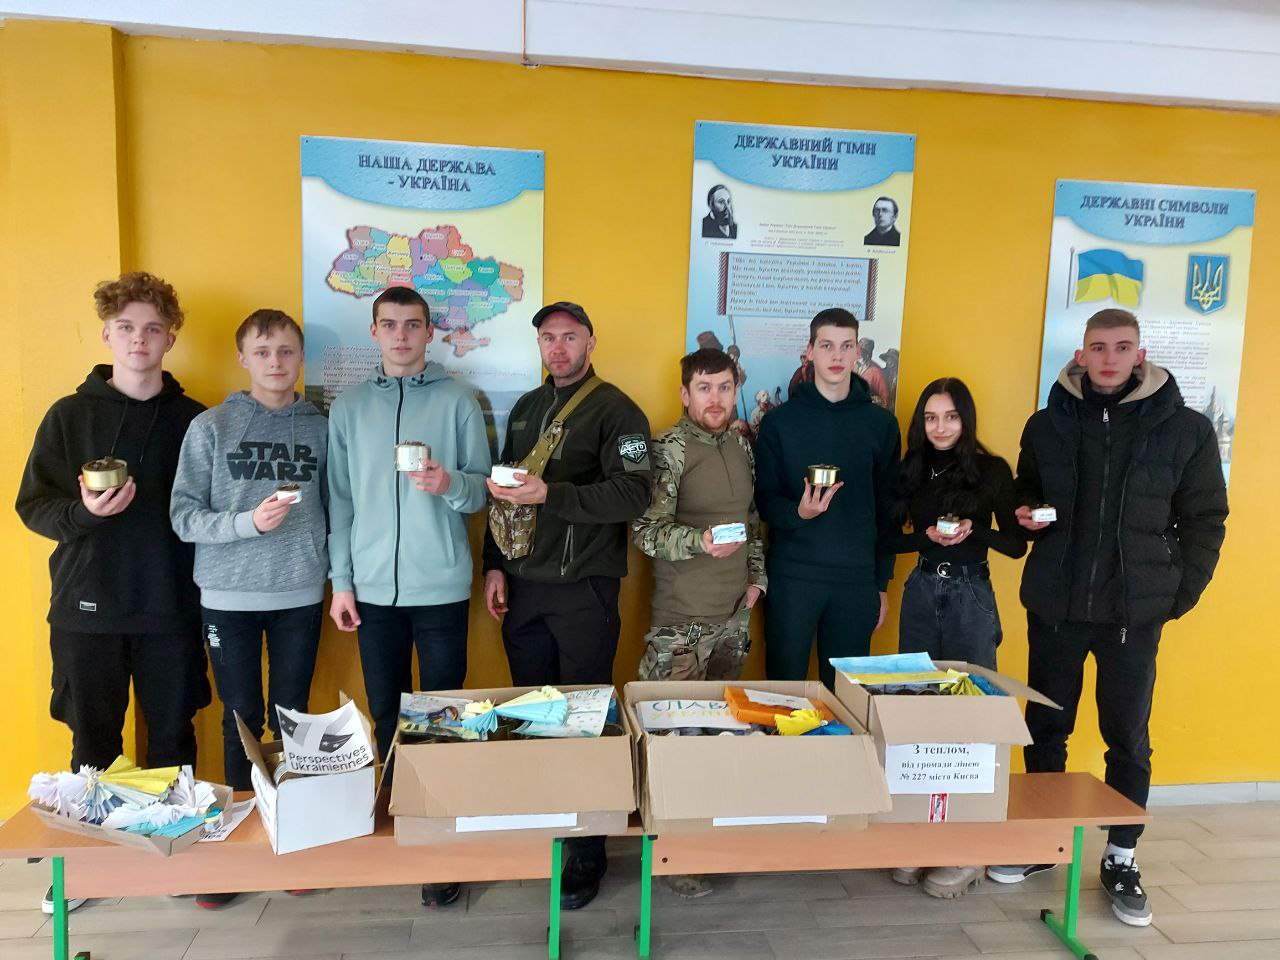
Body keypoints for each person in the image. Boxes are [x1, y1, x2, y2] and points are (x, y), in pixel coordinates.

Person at [987, 308, 1227, 928]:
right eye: (1099, 347)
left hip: (1133, 614)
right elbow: (1025, 491)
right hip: (1057, 607)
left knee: (1128, 737)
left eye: (1122, 348)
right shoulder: (1047, 423)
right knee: (1046, 727)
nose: (1110, 358)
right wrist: (1023, 512)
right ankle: (1044, 839)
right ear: (1081, 355)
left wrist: (1178, 594)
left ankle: (1122, 856)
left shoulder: (1187, 430)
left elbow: (1205, 518)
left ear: (1140, 355)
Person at [16, 271, 208, 915]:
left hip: (172, 605)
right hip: (85, 608)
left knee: (173, 739)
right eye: (125, 327)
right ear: (106, 335)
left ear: (171, 338)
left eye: (152, 328)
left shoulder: (195, 420)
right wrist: (85, 514)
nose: (138, 339)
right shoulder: (68, 416)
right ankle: (88, 871)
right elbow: (33, 505)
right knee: (92, 742)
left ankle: (174, 859)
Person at [482, 301, 651, 911]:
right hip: (523, 586)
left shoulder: (618, 410)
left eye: (569, 337)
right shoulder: (528, 407)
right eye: (548, 337)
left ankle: (586, 853)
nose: (558, 347)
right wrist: (494, 564)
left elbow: (634, 493)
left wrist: (552, 494)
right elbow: (504, 492)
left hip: (584, 587)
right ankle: (547, 831)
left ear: (590, 341)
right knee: (533, 716)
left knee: (583, 721)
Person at [327, 285, 490, 908]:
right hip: (371, 591)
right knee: (388, 713)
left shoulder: (459, 401)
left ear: (430, 332)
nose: (401, 335)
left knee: (443, 715)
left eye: (413, 324)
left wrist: (449, 484)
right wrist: (342, 582)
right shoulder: (348, 408)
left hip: (440, 585)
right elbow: (339, 502)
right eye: (390, 324)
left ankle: (442, 842)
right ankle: (403, 829)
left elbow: (482, 491)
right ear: (374, 332)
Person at [169, 308, 328, 909]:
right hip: (227, 595)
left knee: (292, 719)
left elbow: (337, 506)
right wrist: (247, 524)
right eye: (262, 352)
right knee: (239, 718)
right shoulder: (211, 426)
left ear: (301, 358)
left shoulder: (321, 427)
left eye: (286, 351)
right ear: (243, 358)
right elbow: (183, 516)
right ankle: (237, 850)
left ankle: (291, 837)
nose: (275, 362)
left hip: (300, 592)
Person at [632, 347, 765, 899]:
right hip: (681, 626)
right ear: (685, 394)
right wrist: (699, 541)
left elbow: (751, 519)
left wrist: (756, 578)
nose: (716, 398)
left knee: (720, 742)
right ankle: (671, 858)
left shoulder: (742, 444)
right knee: (673, 749)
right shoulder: (669, 448)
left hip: (733, 619)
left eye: (724, 387)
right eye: (704, 388)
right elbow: (644, 530)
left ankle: (706, 847)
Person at [885, 378, 1025, 899]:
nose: (940, 427)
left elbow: (1016, 544)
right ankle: (921, 836)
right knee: (917, 713)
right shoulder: (911, 468)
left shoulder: (992, 471)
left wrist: (973, 530)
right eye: (930, 417)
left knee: (973, 718)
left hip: (971, 596)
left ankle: (967, 850)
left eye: (950, 416)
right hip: (921, 591)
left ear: (966, 419)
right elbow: (885, 535)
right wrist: (924, 539)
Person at [753, 307, 900, 689]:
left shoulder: (881, 424)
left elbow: (889, 510)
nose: (837, 356)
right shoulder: (779, 422)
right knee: (783, 695)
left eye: (846, 346)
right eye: (827, 345)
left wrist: (881, 583)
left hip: (856, 581)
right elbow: (764, 500)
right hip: (792, 577)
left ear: (857, 352)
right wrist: (798, 512)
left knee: (846, 699)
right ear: (810, 351)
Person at [856, 337, 891, 407]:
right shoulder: (851, 365)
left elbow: (885, 400)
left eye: (862, 351)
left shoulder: (876, 372)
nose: (858, 353)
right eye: (858, 349)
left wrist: (873, 400)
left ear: (868, 354)